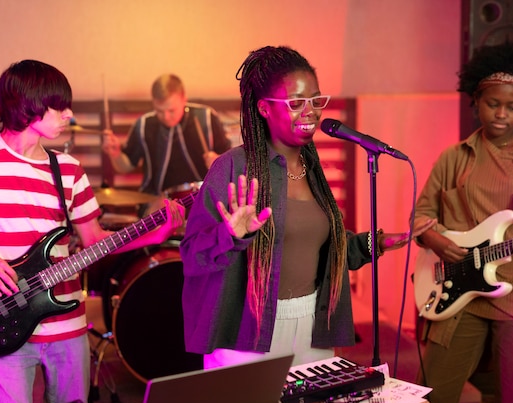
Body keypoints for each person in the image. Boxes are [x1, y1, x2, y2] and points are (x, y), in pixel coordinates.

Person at [0, 60, 184, 403]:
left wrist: (154, 234)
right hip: (4, 319)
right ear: (29, 106)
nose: (69, 114)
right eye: (60, 106)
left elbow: (95, 240)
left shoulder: (69, 170)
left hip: (67, 322)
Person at [179, 45, 435, 369]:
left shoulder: (312, 168)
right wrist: (230, 235)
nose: (310, 111)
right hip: (249, 332)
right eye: (296, 103)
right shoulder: (233, 168)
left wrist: (378, 242)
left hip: (312, 324)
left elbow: (322, 249)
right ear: (263, 109)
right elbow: (192, 256)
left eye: (316, 100)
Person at [413, 42, 513, 403]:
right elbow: (421, 216)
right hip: (460, 290)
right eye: (493, 104)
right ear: (476, 101)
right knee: (431, 397)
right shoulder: (454, 157)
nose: (502, 115)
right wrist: (437, 241)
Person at [102, 73, 232, 197]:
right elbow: (126, 166)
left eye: (171, 110)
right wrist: (116, 154)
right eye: (159, 111)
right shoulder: (144, 125)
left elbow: (232, 162)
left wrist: (218, 161)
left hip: (204, 196)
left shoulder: (206, 118)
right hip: (156, 199)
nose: (166, 117)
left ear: (184, 99)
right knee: (157, 212)